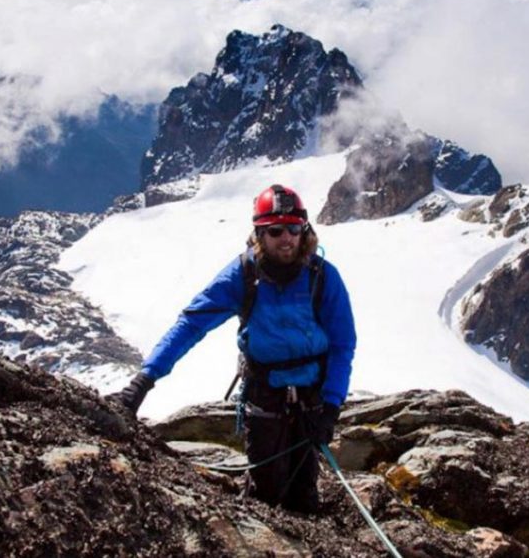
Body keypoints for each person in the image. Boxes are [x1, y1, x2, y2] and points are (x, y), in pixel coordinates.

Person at [116, 184, 356, 513]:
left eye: (294, 229)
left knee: (304, 490)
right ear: (259, 233)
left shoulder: (323, 277)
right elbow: (191, 324)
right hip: (265, 395)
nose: (286, 238)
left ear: (305, 229)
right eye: (276, 231)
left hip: (312, 399)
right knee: (266, 490)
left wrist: (331, 405)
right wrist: (143, 380)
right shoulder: (243, 275)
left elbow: (343, 344)